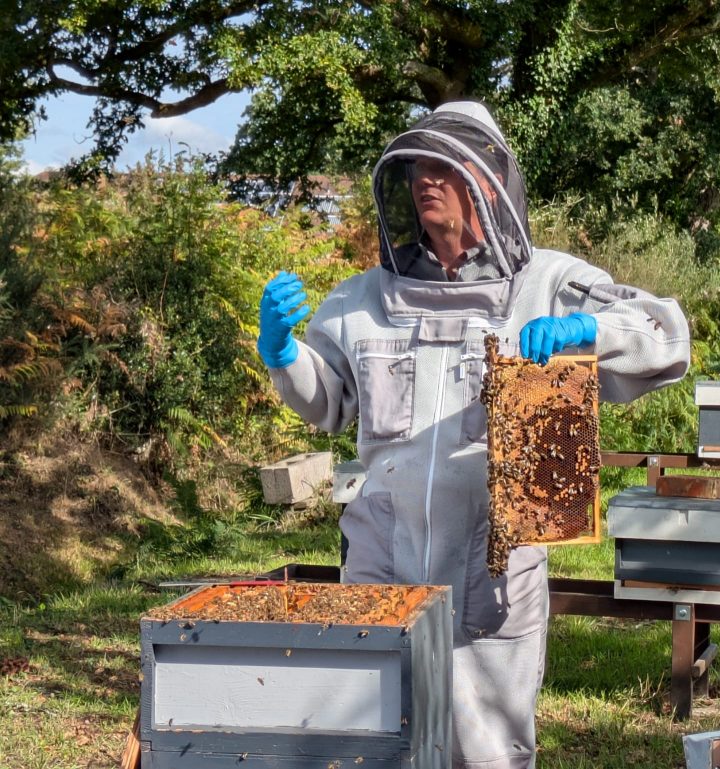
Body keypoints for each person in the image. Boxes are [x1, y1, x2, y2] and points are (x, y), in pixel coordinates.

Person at [257, 101, 690, 768]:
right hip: (381, 548)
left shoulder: (548, 282)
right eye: (415, 170)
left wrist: (589, 333)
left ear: (486, 180)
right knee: (371, 733)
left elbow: (666, 334)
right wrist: (283, 350)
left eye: (441, 167)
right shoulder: (365, 298)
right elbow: (331, 404)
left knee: (484, 746)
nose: (424, 180)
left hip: (492, 557)